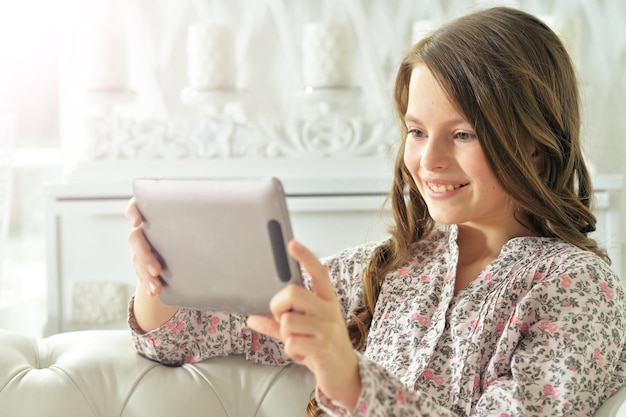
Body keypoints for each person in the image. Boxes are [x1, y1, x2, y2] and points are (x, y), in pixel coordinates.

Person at [126, 6, 626, 416]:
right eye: (416, 131)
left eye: (463, 134)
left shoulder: (578, 290)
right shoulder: (388, 270)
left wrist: (348, 377)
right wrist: (160, 272)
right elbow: (181, 336)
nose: (428, 161)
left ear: (534, 143)